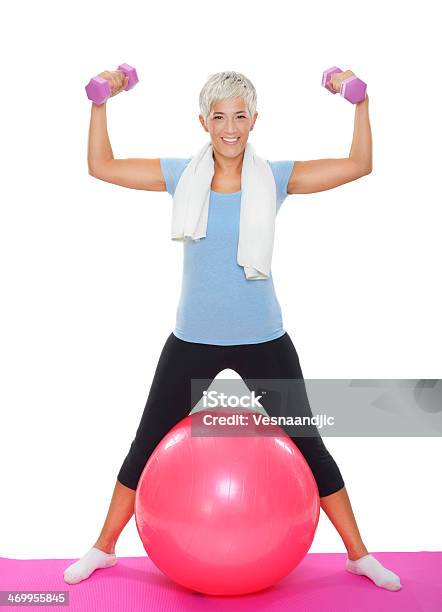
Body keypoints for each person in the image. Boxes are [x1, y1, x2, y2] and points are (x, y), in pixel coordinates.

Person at [64, 70, 402, 591]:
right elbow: (101, 166)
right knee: (146, 442)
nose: (229, 127)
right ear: (203, 122)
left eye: (239, 115)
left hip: (263, 339)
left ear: (254, 120)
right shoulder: (182, 175)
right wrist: (101, 103)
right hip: (192, 340)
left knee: (308, 444)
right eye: (219, 116)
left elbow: (359, 164)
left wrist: (358, 101)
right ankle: (102, 548)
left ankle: (359, 555)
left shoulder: (277, 177)